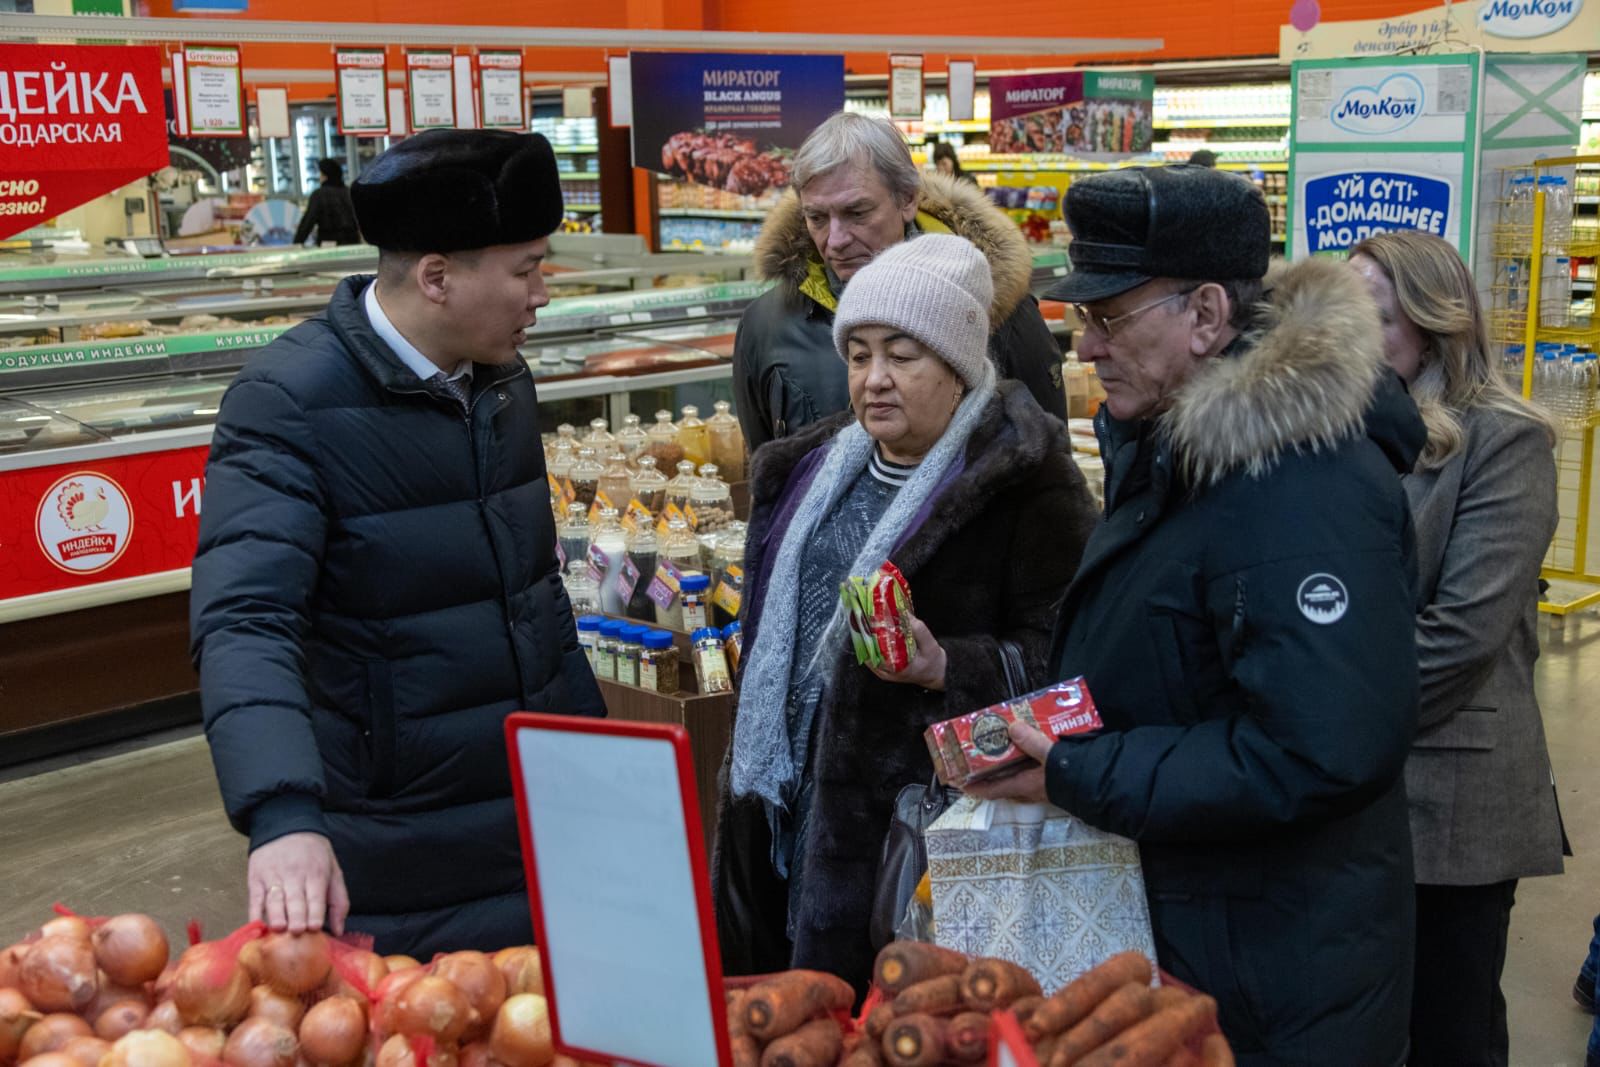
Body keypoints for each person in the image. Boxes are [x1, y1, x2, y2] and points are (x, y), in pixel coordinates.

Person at [970, 165, 1427, 1066]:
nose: (1086, 348)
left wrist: (1081, 770)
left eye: (1107, 319)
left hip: (1278, 979)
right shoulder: (1183, 448)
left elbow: (1317, 747)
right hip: (1207, 931)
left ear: (1208, 315)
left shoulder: (1303, 485)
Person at [190, 130, 605, 957]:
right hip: (394, 834)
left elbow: (532, 590)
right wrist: (282, 814)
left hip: (534, 808)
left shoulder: (502, 381)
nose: (542, 294)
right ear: (437, 277)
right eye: (525, 269)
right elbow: (245, 619)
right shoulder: (289, 400)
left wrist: (592, 750)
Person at [714, 233, 1096, 993]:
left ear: (955, 363)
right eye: (858, 354)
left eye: (902, 354)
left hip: (911, 843)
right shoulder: (806, 467)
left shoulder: (1023, 477)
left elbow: (1073, 658)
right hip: (778, 811)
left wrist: (948, 666)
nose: (875, 379)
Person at [1348, 230, 1565, 1067]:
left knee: (1452, 1018)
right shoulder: (1344, 431)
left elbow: (1463, 633)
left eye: (1376, 322)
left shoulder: (1505, 439)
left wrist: (1329, 706)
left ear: (1435, 324)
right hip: (1358, 783)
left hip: (1455, 791)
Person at [733, 111, 1066, 452]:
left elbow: (1049, 457)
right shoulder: (767, 325)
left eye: (857, 213)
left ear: (907, 199)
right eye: (816, 218)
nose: (834, 240)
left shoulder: (994, 306)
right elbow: (768, 474)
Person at [293, 158, 361, 246]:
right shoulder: (349, 192)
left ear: (325, 176)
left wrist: (297, 244)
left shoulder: (319, 195)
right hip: (352, 243)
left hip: (328, 243)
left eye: (320, 174)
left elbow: (308, 222)